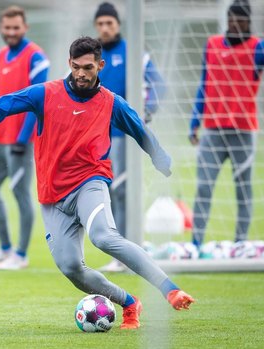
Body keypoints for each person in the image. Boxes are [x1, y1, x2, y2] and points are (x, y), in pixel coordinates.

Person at [0, 37, 195, 329]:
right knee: (71, 268)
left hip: (90, 183)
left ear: (100, 65)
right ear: (69, 63)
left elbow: (139, 128)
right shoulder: (45, 94)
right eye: (76, 67)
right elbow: (3, 105)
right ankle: (129, 303)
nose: (81, 74)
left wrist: (159, 157)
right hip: (53, 196)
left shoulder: (110, 103)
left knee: (104, 237)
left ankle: (169, 288)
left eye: (88, 68)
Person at [189, 0, 264, 248]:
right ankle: (196, 244)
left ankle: (240, 244)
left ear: (248, 22)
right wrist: (194, 123)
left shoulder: (258, 47)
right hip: (212, 130)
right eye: (232, 18)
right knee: (203, 187)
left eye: (240, 19)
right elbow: (204, 84)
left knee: (243, 190)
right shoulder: (211, 45)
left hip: (243, 132)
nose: (235, 23)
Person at [93, 2, 167, 272]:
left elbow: (159, 85)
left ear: (119, 25)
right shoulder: (92, 57)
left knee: (121, 191)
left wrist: (147, 113)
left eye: (109, 23)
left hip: (123, 137)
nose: (104, 28)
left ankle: (125, 252)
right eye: (100, 24)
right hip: (96, 137)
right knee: (103, 191)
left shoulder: (133, 52)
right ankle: (123, 249)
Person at [0, 5, 50, 270]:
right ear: (1, 28)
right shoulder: (0, 57)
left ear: (25, 27)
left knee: (20, 193)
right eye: (6, 28)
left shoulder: (36, 58)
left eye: (15, 27)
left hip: (22, 140)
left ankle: (21, 254)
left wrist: (22, 138)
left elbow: (37, 102)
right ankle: (5, 249)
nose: (11, 32)